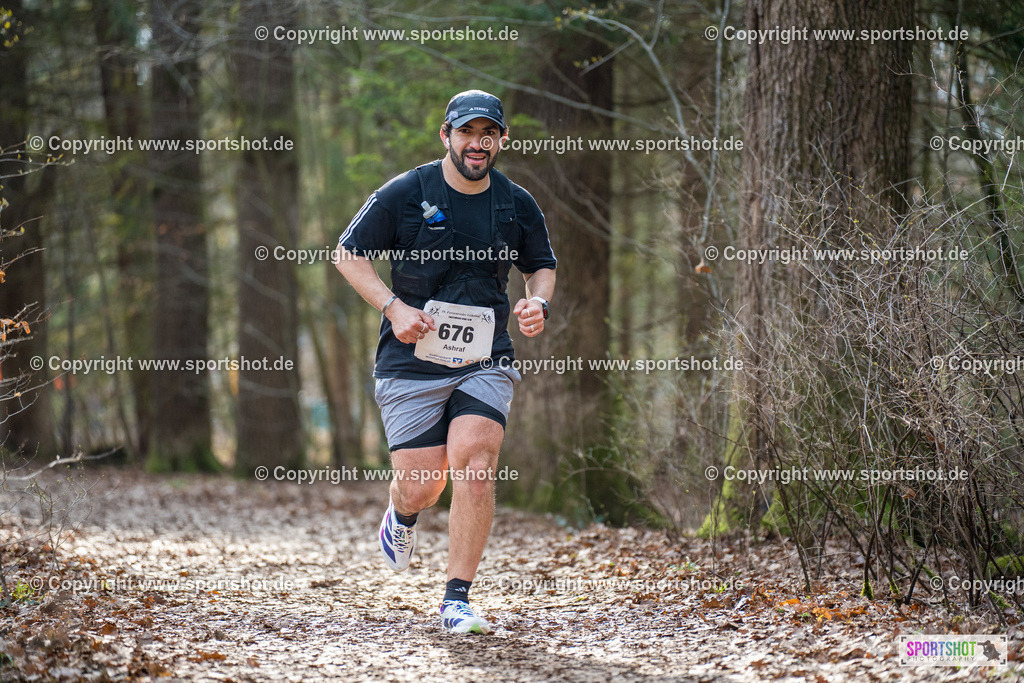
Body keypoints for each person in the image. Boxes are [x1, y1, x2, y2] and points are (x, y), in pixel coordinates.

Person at [334, 89, 557, 634]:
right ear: (446, 135)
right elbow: (347, 253)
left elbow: (541, 265)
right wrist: (393, 306)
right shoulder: (406, 193)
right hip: (410, 360)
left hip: (485, 357)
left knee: (475, 466)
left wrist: (537, 303)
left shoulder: (515, 202)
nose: (477, 145)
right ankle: (402, 513)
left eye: (488, 135)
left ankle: (456, 598)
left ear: (501, 139)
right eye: (466, 133)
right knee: (423, 484)